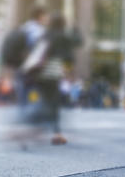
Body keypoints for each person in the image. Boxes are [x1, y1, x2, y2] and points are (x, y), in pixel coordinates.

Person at [16, 13, 79, 146]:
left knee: (43, 101)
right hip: (52, 74)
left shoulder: (44, 35)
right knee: (53, 104)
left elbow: (33, 52)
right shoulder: (63, 37)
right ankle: (52, 133)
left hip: (37, 74)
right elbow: (68, 58)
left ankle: (32, 129)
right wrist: (69, 74)